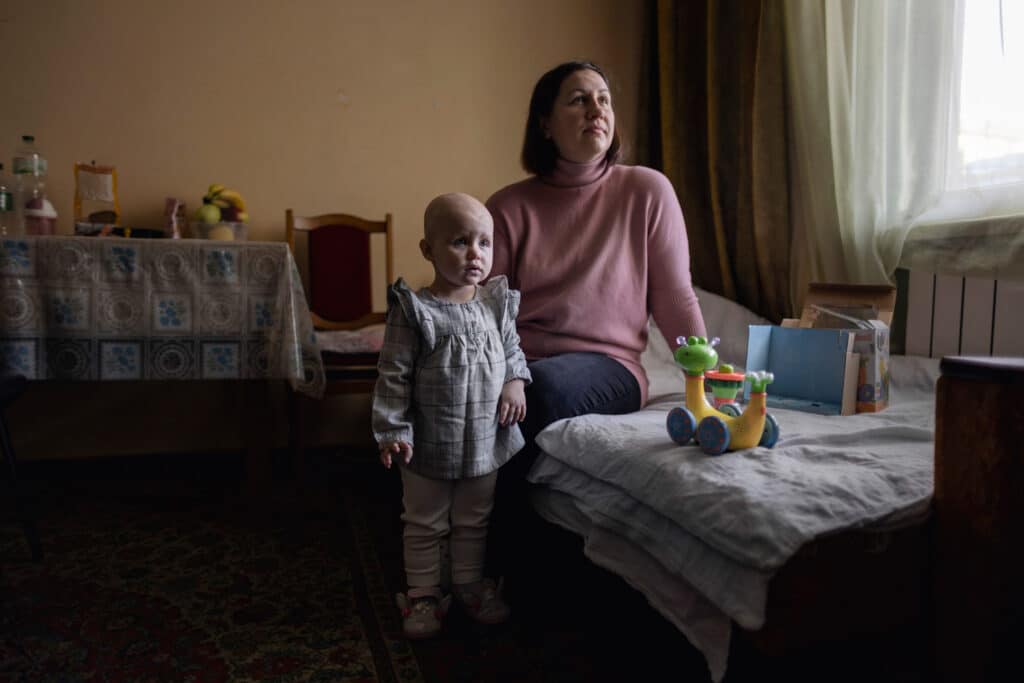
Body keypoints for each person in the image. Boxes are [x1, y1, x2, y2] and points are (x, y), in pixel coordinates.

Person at [485, 60, 707, 595]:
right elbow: (485, 313)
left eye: (604, 99)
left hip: (610, 368)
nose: (596, 110)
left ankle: (493, 563)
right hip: (520, 362)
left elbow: (675, 296)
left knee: (542, 392)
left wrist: (710, 378)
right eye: (578, 99)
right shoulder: (509, 206)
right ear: (544, 123)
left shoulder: (646, 191)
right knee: (460, 393)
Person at [372, 192, 532, 639]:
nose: (475, 254)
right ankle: (423, 593)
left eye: (484, 243)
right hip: (427, 439)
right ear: (428, 249)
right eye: (460, 242)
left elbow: (513, 351)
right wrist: (392, 430)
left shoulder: (495, 303)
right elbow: (393, 375)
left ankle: (467, 583)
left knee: (473, 517)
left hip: (483, 437)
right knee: (424, 520)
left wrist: (514, 381)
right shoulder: (414, 310)